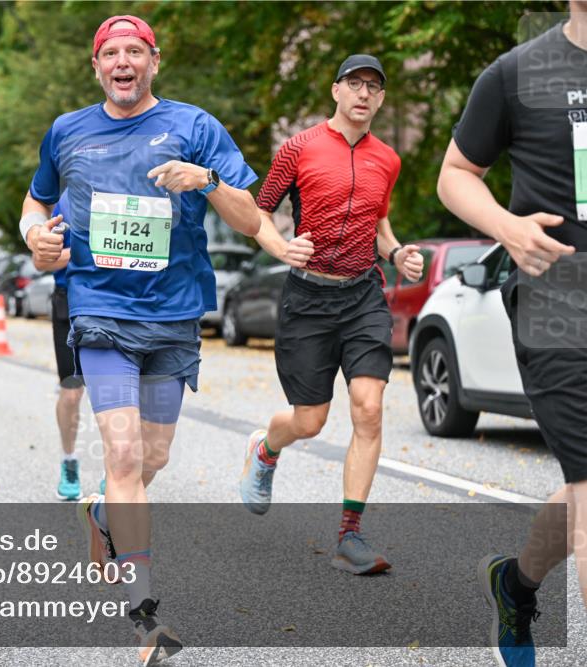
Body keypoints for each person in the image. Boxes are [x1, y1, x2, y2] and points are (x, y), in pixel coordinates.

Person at [21, 15, 260, 664]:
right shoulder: (67, 132)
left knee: (150, 461)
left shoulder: (194, 127)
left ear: (154, 61)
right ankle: (144, 615)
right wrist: (33, 236)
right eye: (110, 53)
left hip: (174, 316)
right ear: (96, 66)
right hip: (98, 310)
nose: (122, 61)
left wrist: (206, 181)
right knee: (124, 454)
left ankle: (101, 513)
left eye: (135, 51)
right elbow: (35, 202)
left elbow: (251, 211)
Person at [436, 4, 586, 665]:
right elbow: (455, 174)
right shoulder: (518, 72)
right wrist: (508, 226)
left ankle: (516, 582)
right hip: (559, 303)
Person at [238, 55, 422, 576]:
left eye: (374, 87)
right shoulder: (298, 147)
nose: (364, 94)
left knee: (368, 407)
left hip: (362, 294)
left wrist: (396, 252)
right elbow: (259, 211)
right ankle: (266, 448)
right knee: (310, 420)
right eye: (355, 84)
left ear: (381, 99)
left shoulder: (387, 158)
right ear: (336, 89)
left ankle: (349, 535)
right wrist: (281, 249)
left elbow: (379, 220)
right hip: (308, 299)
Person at [31, 191, 87, 501]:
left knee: (116, 391)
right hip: (70, 302)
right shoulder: (66, 202)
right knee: (71, 391)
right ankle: (69, 461)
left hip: (118, 303)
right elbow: (42, 261)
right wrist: (86, 252)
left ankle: (116, 469)